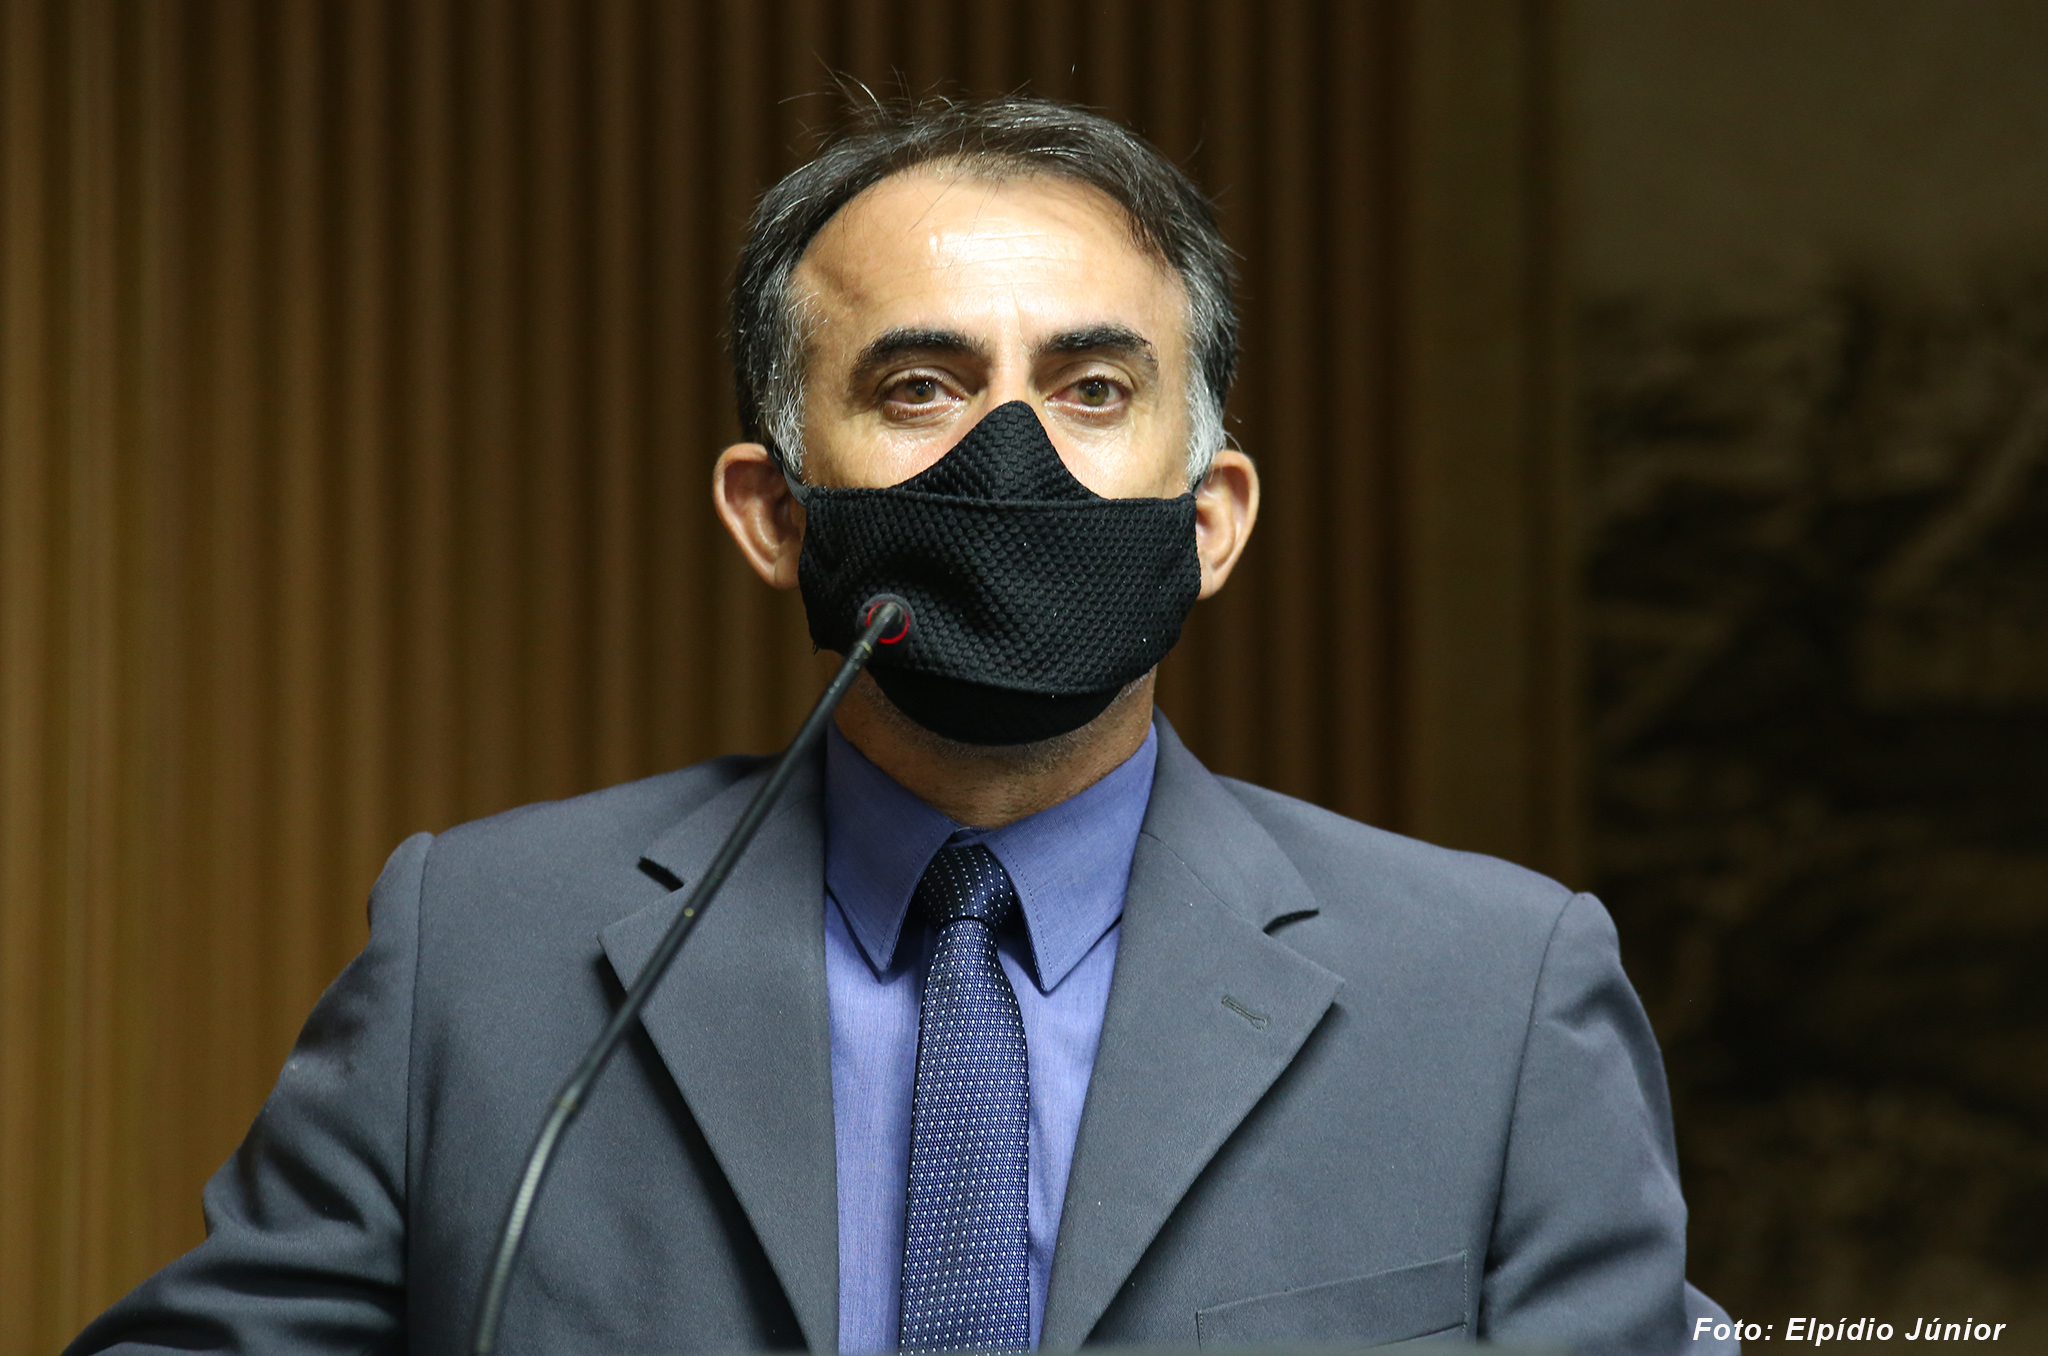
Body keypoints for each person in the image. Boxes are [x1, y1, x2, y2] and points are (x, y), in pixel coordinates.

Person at [70, 97, 1731, 1354]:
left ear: (1213, 520)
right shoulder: (481, 952)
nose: (1010, 458)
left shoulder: (1499, 994)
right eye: (919, 387)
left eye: (1093, 390)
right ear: (772, 513)